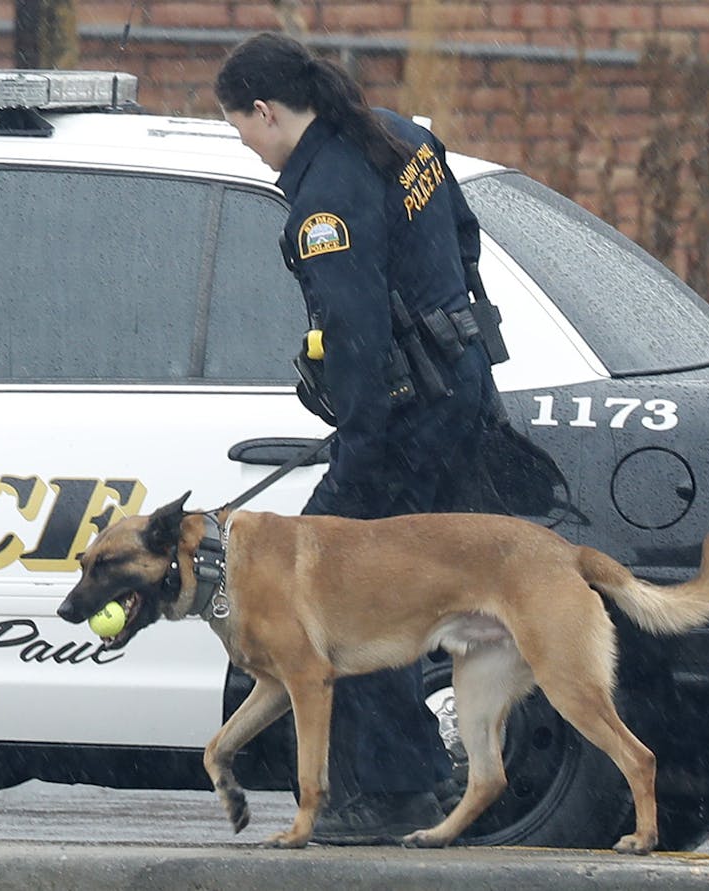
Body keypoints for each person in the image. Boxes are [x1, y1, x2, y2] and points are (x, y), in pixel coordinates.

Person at [215, 32, 499, 845]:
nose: (247, 144)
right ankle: (424, 778)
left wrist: (360, 433)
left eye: (241, 127)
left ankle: (392, 791)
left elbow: (355, 328)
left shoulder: (325, 197)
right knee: (417, 597)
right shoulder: (402, 135)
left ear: (266, 111)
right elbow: (467, 237)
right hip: (463, 392)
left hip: (400, 422)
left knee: (345, 600)